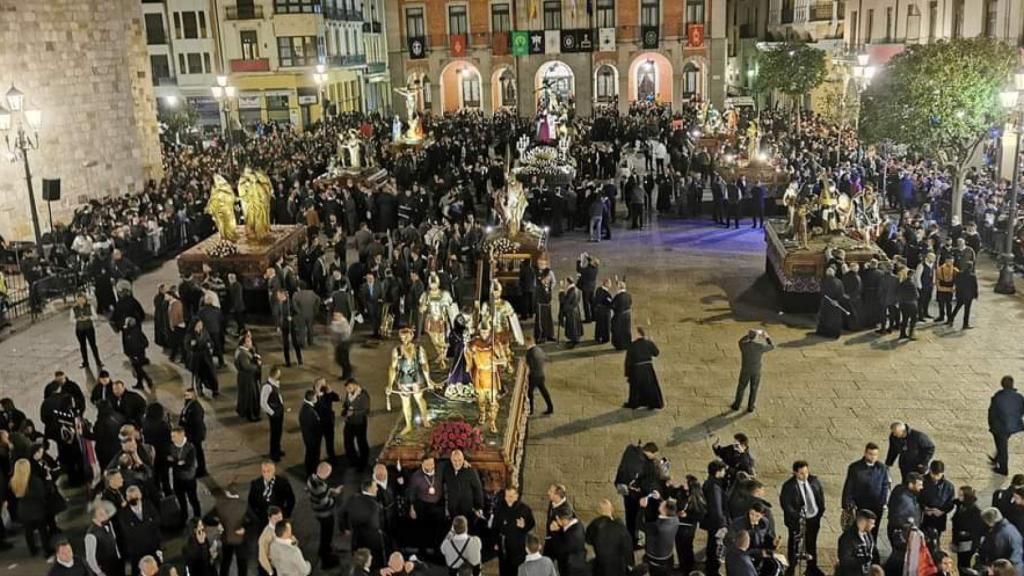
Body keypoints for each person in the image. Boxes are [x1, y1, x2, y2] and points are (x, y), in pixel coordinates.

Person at [779, 460, 825, 576]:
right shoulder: (789, 486)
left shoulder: (814, 481)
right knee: (794, 544)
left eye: (806, 472)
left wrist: (820, 512)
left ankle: (812, 567)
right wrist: (798, 516)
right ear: (795, 473)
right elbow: (786, 505)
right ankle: (791, 568)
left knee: (811, 543)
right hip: (797, 521)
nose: (805, 476)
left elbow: (820, 496)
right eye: (801, 473)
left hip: (813, 518)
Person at [842, 442, 889, 547]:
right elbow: (849, 486)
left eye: (875, 455)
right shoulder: (855, 468)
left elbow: (885, 485)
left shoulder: (882, 468)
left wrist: (882, 502)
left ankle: (872, 550)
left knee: (873, 531)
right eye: (870, 454)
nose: (873, 457)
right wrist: (847, 503)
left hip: (876, 507)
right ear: (865, 453)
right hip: (860, 505)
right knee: (858, 530)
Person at [340, 478, 386, 569]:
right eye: (375, 487)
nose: (377, 489)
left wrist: (345, 528)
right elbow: (375, 525)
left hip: (356, 538)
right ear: (370, 489)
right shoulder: (374, 506)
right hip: (372, 540)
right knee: (374, 562)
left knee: (359, 560)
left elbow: (341, 513)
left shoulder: (352, 499)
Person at [10, 458, 52, 557]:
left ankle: (32, 550)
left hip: (23, 510)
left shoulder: (14, 481)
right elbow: (42, 494)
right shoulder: (34, 481)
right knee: (43, 531)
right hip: (37, 509)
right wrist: (48, 481)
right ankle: (47, 550)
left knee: (28, 532)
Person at [492, 487, 536, 576]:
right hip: (503, 546)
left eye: (511, 496)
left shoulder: (524, 509)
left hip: (518, 546)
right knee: (504, 570)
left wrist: (524, 526)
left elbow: (531, 524)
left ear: (516, 496)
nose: (509, 499)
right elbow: (495, 526)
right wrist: (495, 541)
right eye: (507, 496)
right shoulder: (500, 508)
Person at [119, 485, 161, 575]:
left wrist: (159, 548)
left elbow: (157, 522)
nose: (133, 499)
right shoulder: (123, 514)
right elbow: (129, 533)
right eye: (130, 497)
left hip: (153, 548)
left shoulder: (148, 505)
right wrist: (148, 524)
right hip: (137, 552)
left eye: (136, 496)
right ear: (126, 498)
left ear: (140, 495)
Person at [408, 456, 446, 554]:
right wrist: (412, 508)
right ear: (422, 464)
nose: (430, 466)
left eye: (432, 464)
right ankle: (423, 552)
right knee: (424, 528)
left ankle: (438, 550)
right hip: (423, 505)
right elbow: (412, 493)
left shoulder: (440, 469)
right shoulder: (416, 476)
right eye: (427, 464)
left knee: (440, 528)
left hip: (438, 504)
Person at [308, 461, 342, 568]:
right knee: (326, 534)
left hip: (316, 510)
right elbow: (325, 503)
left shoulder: (312, 478)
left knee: (325, 533)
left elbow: (322, 492)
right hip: (324, 514)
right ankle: (325, 557)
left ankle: (325, 550)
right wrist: (335, 498)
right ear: (327, 473)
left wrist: (331, 491)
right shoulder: (321, 487)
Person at [585, 498, 633, 576]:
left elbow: (588, 540)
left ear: (599, 511)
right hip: (618, 566)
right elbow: (627, 546)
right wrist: (630, 563)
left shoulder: (594, 525)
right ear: (611, 509)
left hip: (601, 564)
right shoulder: (619, 526)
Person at [990, 375, 1024, 475]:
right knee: (1002, 443)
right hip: (1013, 426)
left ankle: (1003, 469)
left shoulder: (998, 397)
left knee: (1002, 446)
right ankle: (996, 458)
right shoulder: (1019, 397)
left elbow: (992, 412)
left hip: (1000, 427)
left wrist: (992, 425)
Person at [732, 329, 773, 413]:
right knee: (754, 388)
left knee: (741, 387)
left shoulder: (743, 346)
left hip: (745, 369)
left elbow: (740, 341)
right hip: (756, 370)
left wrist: (749, 335)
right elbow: (771, 346)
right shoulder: (760, 346)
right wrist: (766, 337)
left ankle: (737, 405)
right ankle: (750, 406)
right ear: (756, 338)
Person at [623, 326, 664, 410]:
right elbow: (656, 353)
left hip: (636, 369)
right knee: (650, 386)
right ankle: (652, 403)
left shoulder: (632, 345)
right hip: (648, 367)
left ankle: (635, 403)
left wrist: (627, 373)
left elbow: (628, 360)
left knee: (636, 388)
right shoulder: (649, 343)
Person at [246, 461, 296, 528]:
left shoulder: (283, 483)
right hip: (263, 519)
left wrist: (285, 514)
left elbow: (291, 500)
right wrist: (259, 516)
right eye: (264, 471)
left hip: (279, 518)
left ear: (273, 471)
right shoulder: (256, 484)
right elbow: (251, 502)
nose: (266, 474)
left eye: (268, 471)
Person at [976, 507, 1024, 575]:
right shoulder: (1009, 527)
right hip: (1017, 568)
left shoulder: (1000, 535)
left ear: (990, 522)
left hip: (1009, 570)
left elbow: (997, 556)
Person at [169, 426, 202, 526]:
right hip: (177, 479)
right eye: (172, 436)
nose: (172, 439)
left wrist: (174, 462)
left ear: (182, 435)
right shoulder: (172, 446)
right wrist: (178, 463)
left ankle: (197, 516)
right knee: (181, 499)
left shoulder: (190, 448)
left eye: (174, 436)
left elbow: (187, 465)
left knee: (193, 498)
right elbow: (167, 461)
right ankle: (184, 516)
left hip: (189, 479)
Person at [444, 449, 484, 525]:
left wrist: (479, 507)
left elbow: (478, 489)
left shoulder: (470, 471)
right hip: (452, 509)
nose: (457, 463)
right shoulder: (446, 469)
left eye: (460, 460)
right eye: (454, 460)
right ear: (451, 460)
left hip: (467, 509)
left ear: (463, 459)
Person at [704, 459, 729, 576]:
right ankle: (712, 570)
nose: (725, 472)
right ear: (718, 472)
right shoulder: (715, 488)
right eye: (723, 470)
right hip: (716, 524)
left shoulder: (710, 482)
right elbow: (717, 509)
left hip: (711, 522)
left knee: (711, 544)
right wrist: (723, 526)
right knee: (715, 546)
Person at [85, 502, 123, 576]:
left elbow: (113, 541)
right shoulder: (91, 535)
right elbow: (90, 559)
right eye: (101, 514)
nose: (106, 516)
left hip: (116, 565)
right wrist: (99, 573)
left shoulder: (109, 524)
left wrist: (119, 557)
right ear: (94, 517)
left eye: (105, 513)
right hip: (104, 569)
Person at [921, 460, 956, 541]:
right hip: (924, 517)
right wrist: (924, 508)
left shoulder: (948, 486)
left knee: (936, 538)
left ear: (942, 473)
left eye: (938, 475)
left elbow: (950, 503)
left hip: (939, 518)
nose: (935, 477)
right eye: (933, 474)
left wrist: (942, 511)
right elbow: (917, 497)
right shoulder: (922, 481)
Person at [643, 498, 679, 576]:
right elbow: (668, 508)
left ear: (664, 510)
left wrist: (642, 508)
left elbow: (641, 526)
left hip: (656, 558)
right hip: (668, 554)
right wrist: (659, 498)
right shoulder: (676, 519)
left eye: (662, 504)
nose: (660, 503)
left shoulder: (658, 527)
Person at [836, 509, 876, 576]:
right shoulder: (847, 538)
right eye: (871, 523)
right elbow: (845, 561)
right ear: (863, 522)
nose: (873, 525)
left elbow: (873, 550)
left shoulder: (869, 535)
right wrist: (862, 560)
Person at [952, 486, 984, 570]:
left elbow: (978, 529)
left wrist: (966, 533)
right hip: (960, 540)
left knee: (964, 564)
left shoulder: (975, 511)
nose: (958, 497)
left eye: (961, 495)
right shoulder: (961, 505)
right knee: (960, 563)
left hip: (968, 542)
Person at [342, 378, 371, 470]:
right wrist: (344, 410)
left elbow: (366, 410)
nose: (348, 390)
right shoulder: (349, 393)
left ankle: (363, 462)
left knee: (361, 442)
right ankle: (353, 460)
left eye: (349, 388)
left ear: (355, 385)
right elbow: (347, 404)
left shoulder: (363, 395)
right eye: (347, 389)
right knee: (348, 441)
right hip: (349, 422)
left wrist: (354, 412)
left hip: (359, 422)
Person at [179, 387, 207, 478]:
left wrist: (185, 420)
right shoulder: (188, 405)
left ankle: (202, 469)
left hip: (195, 434)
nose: (186, 397)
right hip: (191, 433)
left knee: (198, 451)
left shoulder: (195, 407)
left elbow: (195, 421)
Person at [235, 330, 262, 422]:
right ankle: (251, 415)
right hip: (247, 379)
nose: (251, 343)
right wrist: (257, 365)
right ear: (244, 343)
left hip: (246, 378)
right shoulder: (242, 354)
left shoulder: (244, 351)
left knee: (247, 396)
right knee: (250, 397)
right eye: (249, 341)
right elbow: (246, 366)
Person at [71, 293, 103, 369]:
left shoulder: (89, 306)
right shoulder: (74, 308)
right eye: (79, 299)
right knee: (82, 346)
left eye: (82, 299)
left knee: (93, 345)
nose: (81, 301)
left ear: (85, 299)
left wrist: (88, 317)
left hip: (89, 328)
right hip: (79, 329)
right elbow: (71, 319)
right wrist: (77, 320)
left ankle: (98, 361)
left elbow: (95, 316)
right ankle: (85, 362)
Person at [550, 510, 587, 576]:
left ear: (564, 520)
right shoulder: (577, 524)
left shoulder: (572, 534)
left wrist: (554, 532)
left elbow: (560, 549)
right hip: (578, 562)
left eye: (557, 519)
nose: (556, 522)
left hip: (570, 566)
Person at [260, 366, 286, 461]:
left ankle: (277, 449)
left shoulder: (275, 383)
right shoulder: (267, 386)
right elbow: (263, 402)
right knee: (274, 433)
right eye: (278, 373)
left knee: (278, 432)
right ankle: (273, 453)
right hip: (274, 413)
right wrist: (272, 412)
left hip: (279, 411)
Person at [273, 289, 303, 366]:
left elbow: (298, 312)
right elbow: (277, 315)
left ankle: (299, 359)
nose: (277, 296)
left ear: (283, 294)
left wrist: (292, 317)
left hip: (291, 326)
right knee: (285, 344)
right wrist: (278, 326)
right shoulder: (278, 304)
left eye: (278, 295)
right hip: (283, 326)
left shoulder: (290, 303)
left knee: (295, 343)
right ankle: (287, 362)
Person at [121, 317, 153, 391]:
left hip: (137, 355)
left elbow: (144, 343)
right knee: (138, 369)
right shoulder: (127, 331)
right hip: (133, 354)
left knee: (138, 369)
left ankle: (147, 381)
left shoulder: (134, 333)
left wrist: (137, 353)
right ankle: (141, 383)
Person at [524, 335, 553, 415]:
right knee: (544, 391)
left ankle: (531, 410)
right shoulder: (539, 349)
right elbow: (546, 358)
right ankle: (550, 407)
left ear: (528, 343)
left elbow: (529, 365)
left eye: (525, 343)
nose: (525, 345)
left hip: (534, 376)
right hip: (541, 374)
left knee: (529, 393)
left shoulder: (529, 353)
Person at [313, 377, 339, 463]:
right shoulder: (313, 396)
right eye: (322, 384)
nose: (324, 385)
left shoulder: (327, 393)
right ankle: (316, 460)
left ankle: (332, 457)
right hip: (318, 424)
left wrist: (331, 392)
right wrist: (317, 394)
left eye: (325, 383)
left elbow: (337, 398)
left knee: (330, 441)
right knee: (317, 443)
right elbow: (317, 407)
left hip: (328, 422)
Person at [948, 262, 978, 329]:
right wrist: (975, 295)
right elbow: (975, 287)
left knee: (957, 307)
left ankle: (951, 319)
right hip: (968, 295)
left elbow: (956, 283)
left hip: (960, 294)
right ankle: (965, 324)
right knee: (967, 310)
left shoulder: (959, 274)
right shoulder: (972, 276)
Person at [298, 389, 321, 476]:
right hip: (312, 438)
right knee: (312, 455)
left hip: (308, 437)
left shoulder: (305, 408)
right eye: (316, 397)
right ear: (312, 398)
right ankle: (311, 471)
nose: (317, 398)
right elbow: (315, 425)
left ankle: (310, 470)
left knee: (310, 454)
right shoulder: (310, 411)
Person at [558, 277, 583, 347]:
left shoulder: (572, 291)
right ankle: (575, 339)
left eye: (565, 282)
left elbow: (564, 300)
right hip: (575, 310)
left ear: (568, 282)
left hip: (571, 312)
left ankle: (574, 341)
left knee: (572, 327)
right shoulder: (577, 289)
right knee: (575, 326)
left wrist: (561, 290)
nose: (564, 283)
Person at [610, 281, 632, 350]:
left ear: (619, 288)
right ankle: (627, 344)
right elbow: (630, 303)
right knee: (626, 330)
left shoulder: (618, 296)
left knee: (618, 331)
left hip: (619, 316)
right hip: (627, 315)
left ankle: (619, 345)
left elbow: (612, 305)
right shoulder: (628, 295)